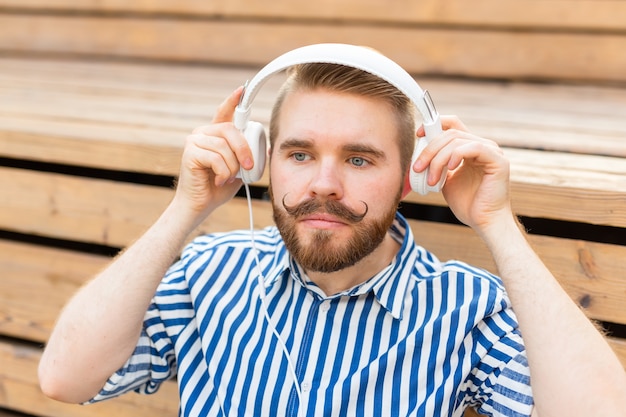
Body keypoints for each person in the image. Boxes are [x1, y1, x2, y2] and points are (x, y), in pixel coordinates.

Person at [38, 48, 626, 417]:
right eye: (298, 153)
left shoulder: (464, 307)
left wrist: (496, 223)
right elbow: (65, 377)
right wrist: (185, 208)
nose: (323, 185)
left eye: (360, 159)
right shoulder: (208, 271)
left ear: (410, 178)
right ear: (259, 161)